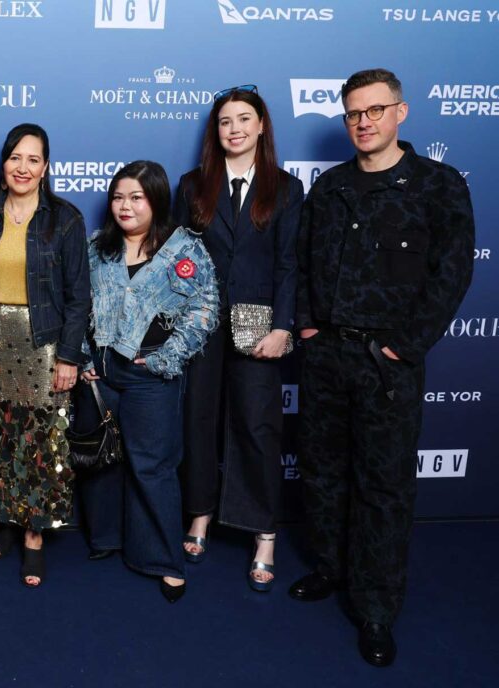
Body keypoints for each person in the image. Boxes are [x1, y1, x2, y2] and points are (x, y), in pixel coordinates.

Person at [290, 68, 474, 667]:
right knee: (322, 473)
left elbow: (452, 275)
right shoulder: (331, 188)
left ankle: (374, 608)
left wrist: (406, 346)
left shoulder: (437, 186)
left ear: (401, 112)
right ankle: (330, 568)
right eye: (353, 114)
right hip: (327, 358)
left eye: (374, 111)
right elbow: (303, 260)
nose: (363, 123)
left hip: (387, 366)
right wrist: (310, 328)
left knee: (384, 488)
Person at [172, 85, 304, 592]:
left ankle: (264, 534)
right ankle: (200, 514)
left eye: (244, 119)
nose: (235, 129)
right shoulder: (191, 187)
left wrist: (283, 329)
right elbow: (177, 264)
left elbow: (290, 266)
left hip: (258, 327)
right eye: (225, 121)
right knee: (199, 421)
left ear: (262, 126)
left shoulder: (287, 190)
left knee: (258, 428)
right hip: (201, 326)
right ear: (216, 130)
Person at [80, 161, 219, 603]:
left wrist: (166, 359)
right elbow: (75, 304)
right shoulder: (97, 248)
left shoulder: (183, 250)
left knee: (152, 465)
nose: (125, 206)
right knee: (101, 459)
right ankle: (106, 538)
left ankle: (161, 558)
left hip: (149, 374)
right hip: (100, 371)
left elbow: (205, 310)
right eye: (118, 197)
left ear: (156, 200)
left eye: (136, 197)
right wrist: (82, 356)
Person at [0, 123, 90, 587]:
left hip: (45, 344)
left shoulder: (66, 219)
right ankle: (6, 516)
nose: (23, 167)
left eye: (33, 159)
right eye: (16, 157)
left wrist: (69, 357)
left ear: (46, 168)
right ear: (4, 163)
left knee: (42, 441)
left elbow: (79, 297)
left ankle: (34, 535)